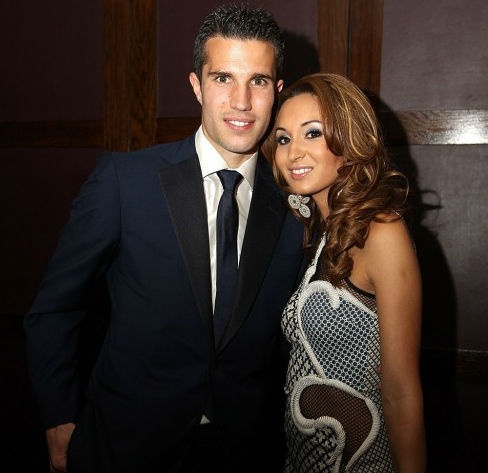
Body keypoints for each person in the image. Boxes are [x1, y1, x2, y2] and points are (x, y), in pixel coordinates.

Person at [24, 4, 305, 473]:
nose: (241, 101)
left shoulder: (295, 207)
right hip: (124, 445)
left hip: (243, 450)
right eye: (222, 78)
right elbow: (54, 307)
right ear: (196, 85)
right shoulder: (124, 182)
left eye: (257, 81)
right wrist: (58, 416)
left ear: (276, 91)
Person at [263, 72, 426, 473]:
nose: (294, 152)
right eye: (283, 139)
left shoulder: (381, 232)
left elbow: (401, 392)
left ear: (350, 140)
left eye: (312, 133)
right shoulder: (321, 230)